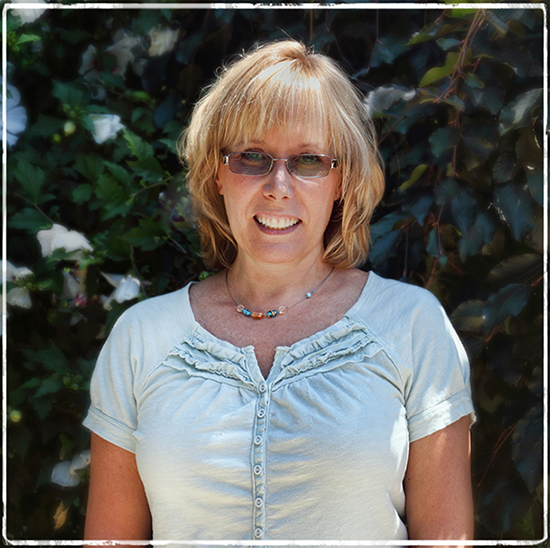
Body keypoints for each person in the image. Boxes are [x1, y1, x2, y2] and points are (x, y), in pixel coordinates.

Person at [83, 40, 475, 546]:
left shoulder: (412, 325)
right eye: (252, 157)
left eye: (309, 160)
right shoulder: (142, 338)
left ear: (342, 180)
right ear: (217, 173)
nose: (278, 185)